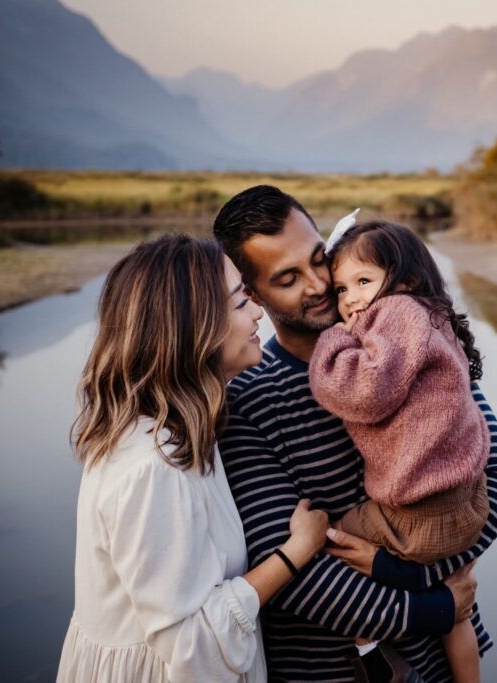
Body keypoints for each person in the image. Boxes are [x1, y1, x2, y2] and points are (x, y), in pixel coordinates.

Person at [213, 186, 497, 682]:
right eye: (288, 278)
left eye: (319, 260)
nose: (318, 285)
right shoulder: (246, 401)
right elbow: (294, 576)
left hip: (438, 661)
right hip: (333, 669)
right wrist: (436, 604)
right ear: (251, 294)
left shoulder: (404, 333)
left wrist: (406, 573)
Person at [56, 235, 330, 683]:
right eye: (242, 302)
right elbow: (190, 645)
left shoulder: (177, 426)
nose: (259, 310)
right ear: (194, 327)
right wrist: (297, 550)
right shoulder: (154, 468)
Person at [308, 220, 490, 682]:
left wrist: (330, 338)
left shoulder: (397, 314)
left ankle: (373, 655)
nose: (349, 299)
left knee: (327, 545)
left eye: (363, 281)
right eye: (341, 288)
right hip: (467, 503)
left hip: (415, 516)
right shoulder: (430, 317)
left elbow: (364, 390)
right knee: (460, 613)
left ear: (405, 278)